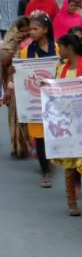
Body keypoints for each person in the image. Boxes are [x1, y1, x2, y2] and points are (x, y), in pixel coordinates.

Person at [51, 33, 82, 216]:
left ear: (68, 48)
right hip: (68, 122)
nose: (59, 50)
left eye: (61, 46)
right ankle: (71, 201)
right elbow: (54, 90)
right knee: (69, 164)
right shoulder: (60, 67)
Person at [18, 15, 58, 187]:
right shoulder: (26, 51)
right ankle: (45, 172)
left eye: (35, 29)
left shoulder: (56, 48)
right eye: (30, 29)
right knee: (40, 138)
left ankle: (52, 161)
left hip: (54, 98)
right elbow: (22, 73)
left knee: (53, 134)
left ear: (46, 30)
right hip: (34, 99)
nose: (31, 32)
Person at [0, 17, 31, 158]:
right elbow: (4, 60)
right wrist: (15, 44)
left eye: (27, 31)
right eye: (22, 31)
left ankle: (31, 146)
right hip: (12, 77)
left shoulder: (34, 38)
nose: (25, 34)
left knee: (29, 111)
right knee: (15, 112)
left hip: (30, 78)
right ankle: (18, 147)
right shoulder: (10, 39)